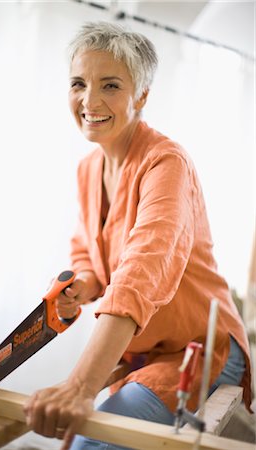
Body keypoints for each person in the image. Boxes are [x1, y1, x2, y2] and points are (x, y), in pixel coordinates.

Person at [24, 22, 252, 450]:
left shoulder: (167, 164)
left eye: (110, 85)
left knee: (89, 441)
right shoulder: (88, 170)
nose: (89, 101)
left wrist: (79, 387)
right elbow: (89, 255)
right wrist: (85, 285)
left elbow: (140, 273)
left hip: (200, 349)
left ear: (141, 96)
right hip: (145, 347)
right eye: (78, 83)